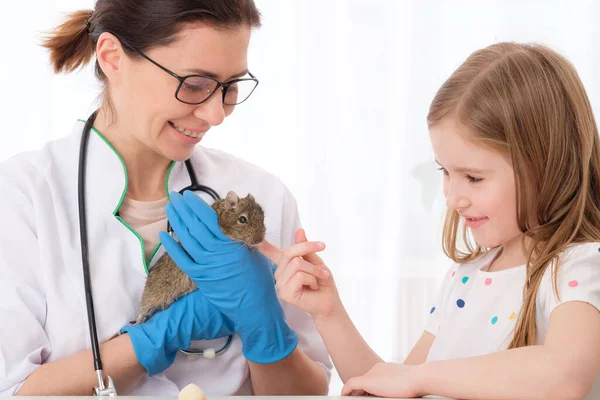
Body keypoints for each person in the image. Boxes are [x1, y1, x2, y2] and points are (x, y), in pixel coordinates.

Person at [162, 42, 600, 399]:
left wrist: (423, 378)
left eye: (474, 176)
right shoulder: (467, 277)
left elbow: (564, 376)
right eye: (444, 172)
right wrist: (328, 312)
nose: (453, 196)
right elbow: (390, 385)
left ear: (546, 163)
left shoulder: (578, 267)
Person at [0, 0, 332, 396]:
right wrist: (156, 338)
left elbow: (309, 393)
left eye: (229, 87)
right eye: (194, 84)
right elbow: (15, 389)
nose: (216, 114)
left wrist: (265, 328)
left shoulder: (260, 199)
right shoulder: (24, 196)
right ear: (112, 58)